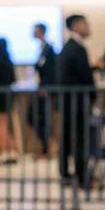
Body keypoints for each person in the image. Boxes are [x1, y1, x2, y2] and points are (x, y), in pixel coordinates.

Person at [58, 14, 96, 188]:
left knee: (68, 137)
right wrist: (92, 95)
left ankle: (66, 173)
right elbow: (85, 76)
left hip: (69, 102)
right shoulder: (76, 48)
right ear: (76, 25)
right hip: (78, 103)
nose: (88, 26)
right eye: (86, 23)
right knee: (80, 139)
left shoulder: (68, 47)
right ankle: (82, 177)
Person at [30, 22, 57, 157]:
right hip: (42, 87)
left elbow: (49, 70)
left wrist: (46, 86)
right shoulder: (42, 48)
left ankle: (47, 149)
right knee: (37, 117)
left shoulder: (48, 49)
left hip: (45, 88)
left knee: (44, 118)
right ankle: (44, 148)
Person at [0, 37, 18, 163]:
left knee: (1, 124)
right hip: (8, 95)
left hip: (0, 96)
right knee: (8, 124)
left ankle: (4, 151)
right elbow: (13, 79)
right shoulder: (9, 60)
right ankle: (12, 151)